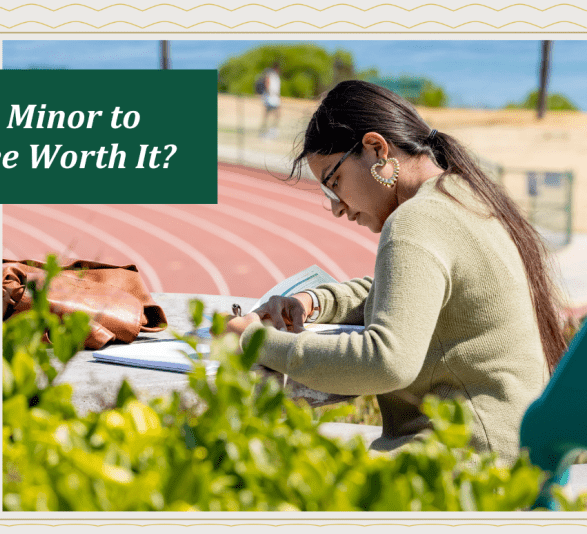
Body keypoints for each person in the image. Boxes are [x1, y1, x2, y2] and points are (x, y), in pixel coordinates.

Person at [226, 80, 570, 463]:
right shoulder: (463, 193)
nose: (338, 208)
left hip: (467, 464)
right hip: (512, 452)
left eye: (333, 183)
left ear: (376, 149)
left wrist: (255, 341)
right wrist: (315, 301)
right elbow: (410, 292)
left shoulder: (416, 220)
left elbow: (386, 362)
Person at [259, 62, 281, 138]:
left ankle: (272, 130)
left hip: (275, 98)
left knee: (276, 115)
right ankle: (264, 131)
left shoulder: (276, 76)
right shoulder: (270, 75)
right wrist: (269, 92)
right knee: (267, 115)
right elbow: (267, 83)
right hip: (270, 98)